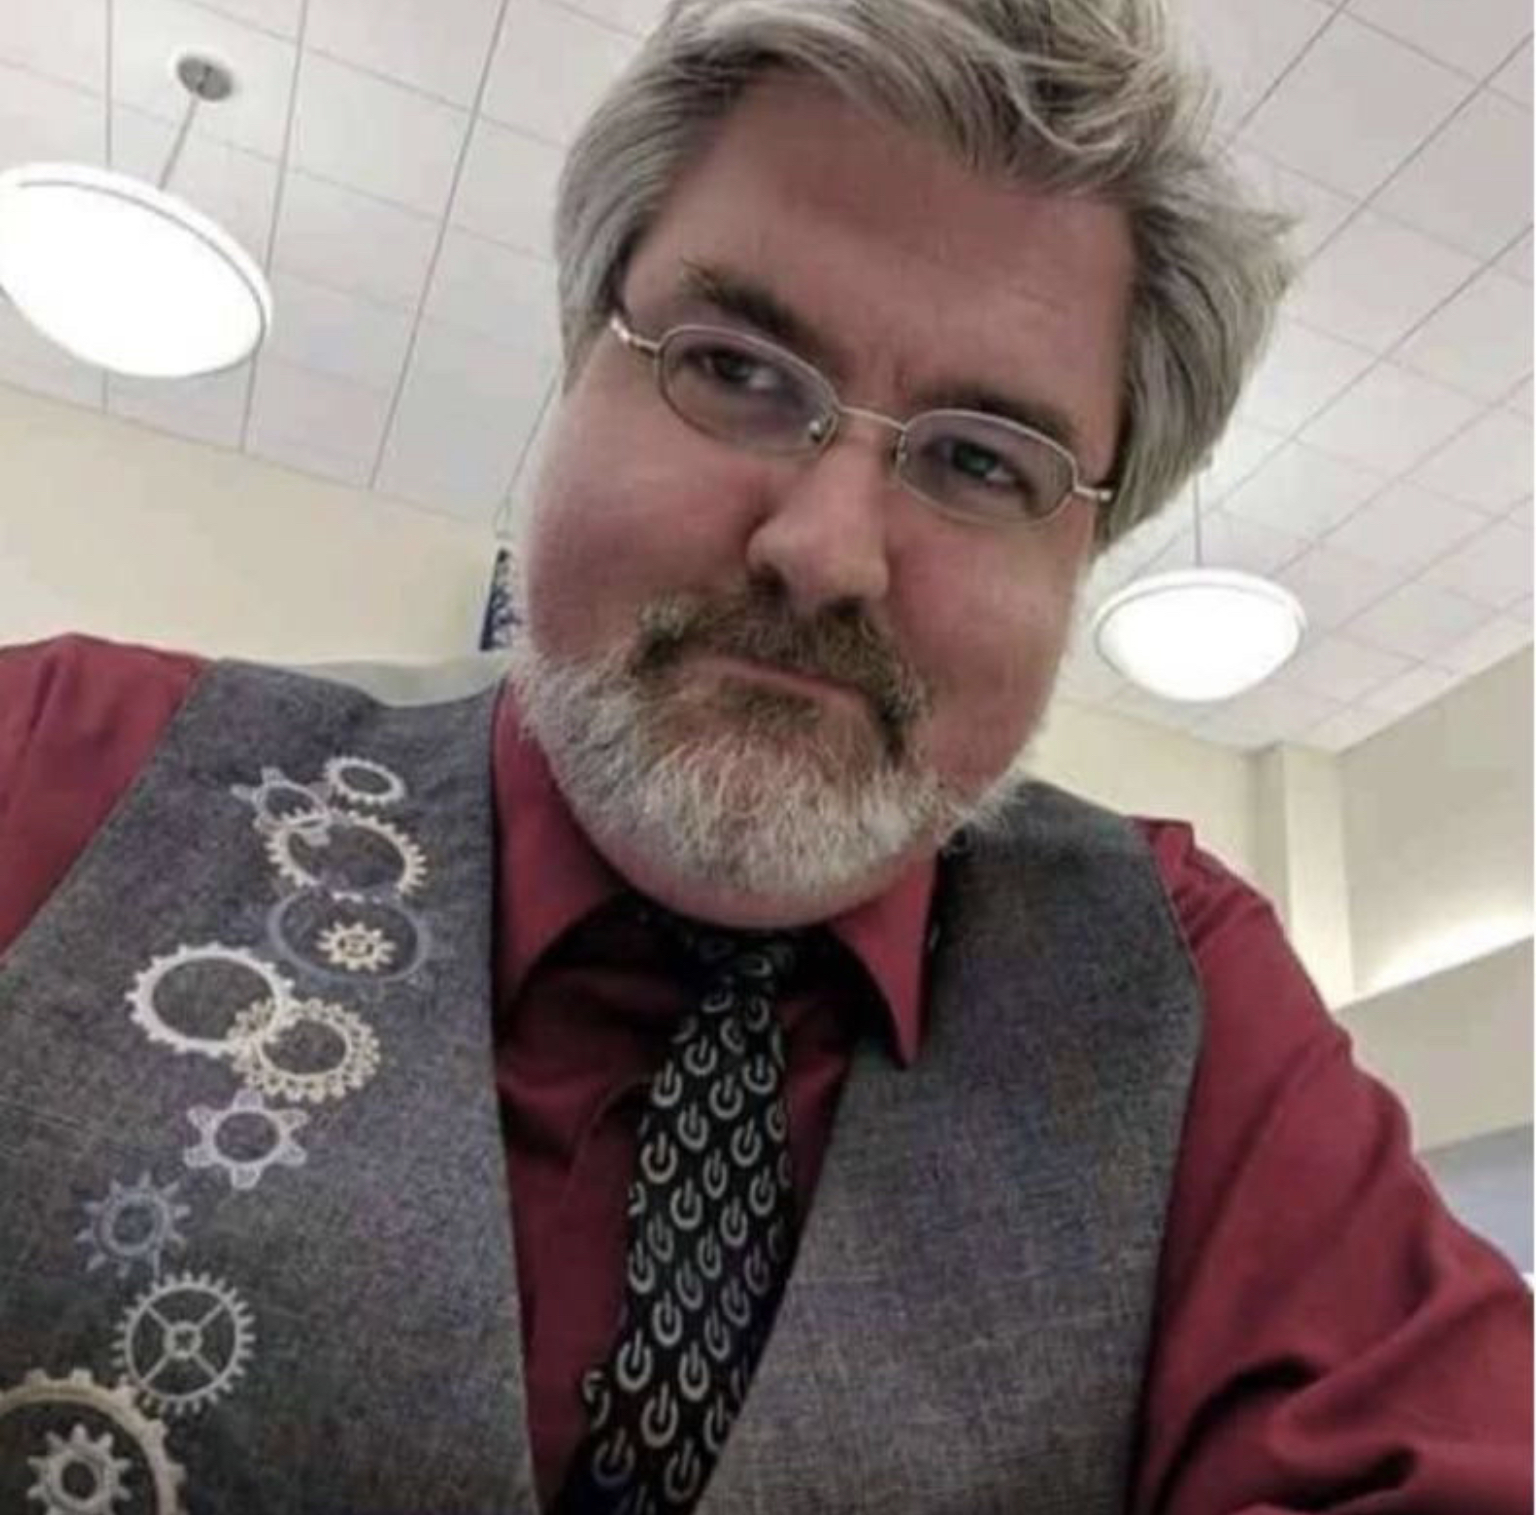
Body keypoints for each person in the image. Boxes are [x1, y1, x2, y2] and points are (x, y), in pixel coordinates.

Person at [0, 0, 1528, 1510]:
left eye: (980, 460)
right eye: (735, 371)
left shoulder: (1181, 996)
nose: (825, 550)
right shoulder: (65, 771)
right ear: (575, 359)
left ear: (1087, 553)